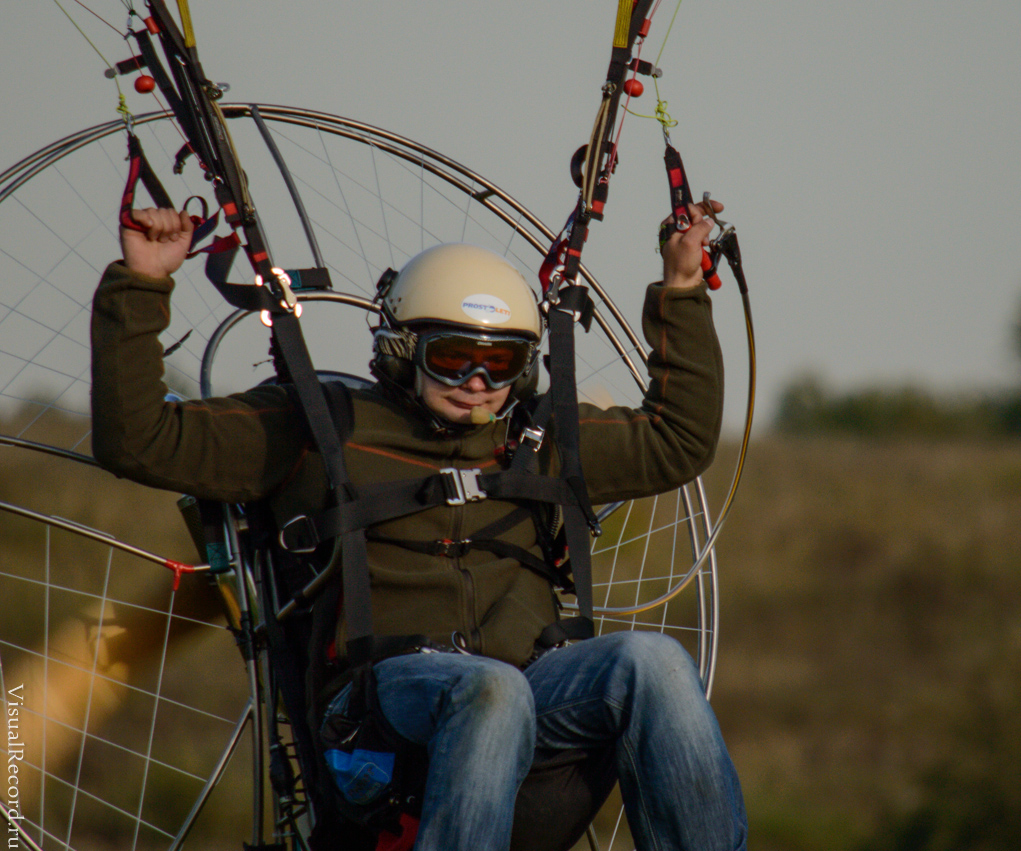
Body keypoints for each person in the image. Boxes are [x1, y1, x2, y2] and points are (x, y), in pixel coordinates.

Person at [91, 201, 748, 851]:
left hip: (527, 697)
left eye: (500, 363)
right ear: (404, 346)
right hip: (379, 716)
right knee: (488, 688)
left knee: (653, 661)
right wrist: (142, 281)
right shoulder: (322, 430)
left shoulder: (537, 438)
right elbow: (138, 440)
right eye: (454, 356)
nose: (475, 383)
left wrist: (682, 288)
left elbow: (677, 440)